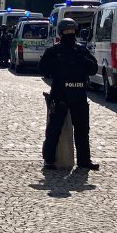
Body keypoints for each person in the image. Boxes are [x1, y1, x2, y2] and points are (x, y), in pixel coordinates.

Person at [38, 18, 99, 171]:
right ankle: (49, 160)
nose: (70, 34)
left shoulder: (80, 51)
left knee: (82, 130)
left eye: (72, 32)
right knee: (54, 129)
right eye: (68, 32)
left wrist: (82, 62)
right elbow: (43, 69)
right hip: (61, 96)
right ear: (62, 33)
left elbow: (93, 68)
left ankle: (84, 160)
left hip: (78, 95)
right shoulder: (55, 51)